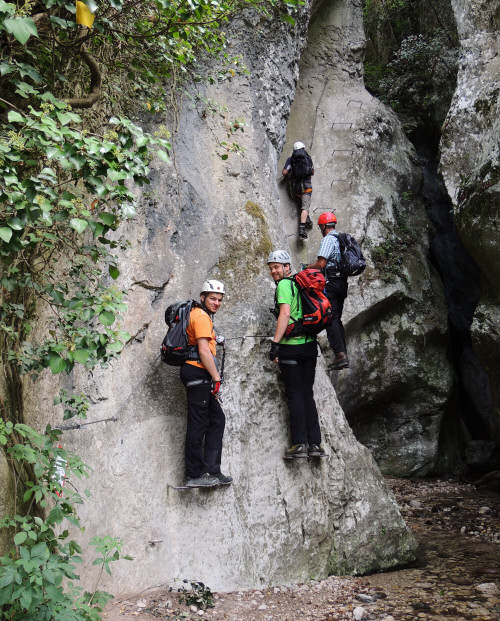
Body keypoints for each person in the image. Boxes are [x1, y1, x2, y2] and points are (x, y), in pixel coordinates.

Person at [267, 250, 327, 459]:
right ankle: (316, 445)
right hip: (310, 346)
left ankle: (300, 443)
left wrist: (275, 344)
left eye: (277, 266)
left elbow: (284, 314)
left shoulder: (284, 285)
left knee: (295, 394)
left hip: (291, 347)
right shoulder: (302, 284)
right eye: (271, 267)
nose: (274, 270)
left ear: (287, 267)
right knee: (307, 393)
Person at [180, 279, 233, 487]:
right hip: (197, 372)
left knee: (217, 419)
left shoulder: (201, 317)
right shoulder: (201, 316)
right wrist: (217, 378)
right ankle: (194, 474)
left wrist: (216, 338)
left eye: (220, 300)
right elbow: (203, 351)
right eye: (213, 298)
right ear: (203, 297)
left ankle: (212, 470)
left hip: (198, 373)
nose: (217, 303)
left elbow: (204, 342)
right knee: (198, 422)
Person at [307, 212, 349, 370]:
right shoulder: (341, 239)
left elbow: (321, 263)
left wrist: (307, 268)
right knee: (336, 319)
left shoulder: (328, 239)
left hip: (331, 284)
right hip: (342, 284)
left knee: (330, 318)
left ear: (323, 226)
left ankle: (340, 355)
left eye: (320, 227)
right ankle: (342, 353)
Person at [282, 142, 314, 240]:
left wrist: (290, 175)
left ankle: (307, 218)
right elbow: (312, 172)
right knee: (305, 207)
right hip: (306, 186)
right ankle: (302, 228)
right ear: (303, 149)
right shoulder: (308, 158)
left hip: (296, 187)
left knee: (301, 201)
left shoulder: (290, 159)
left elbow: (284, 172)